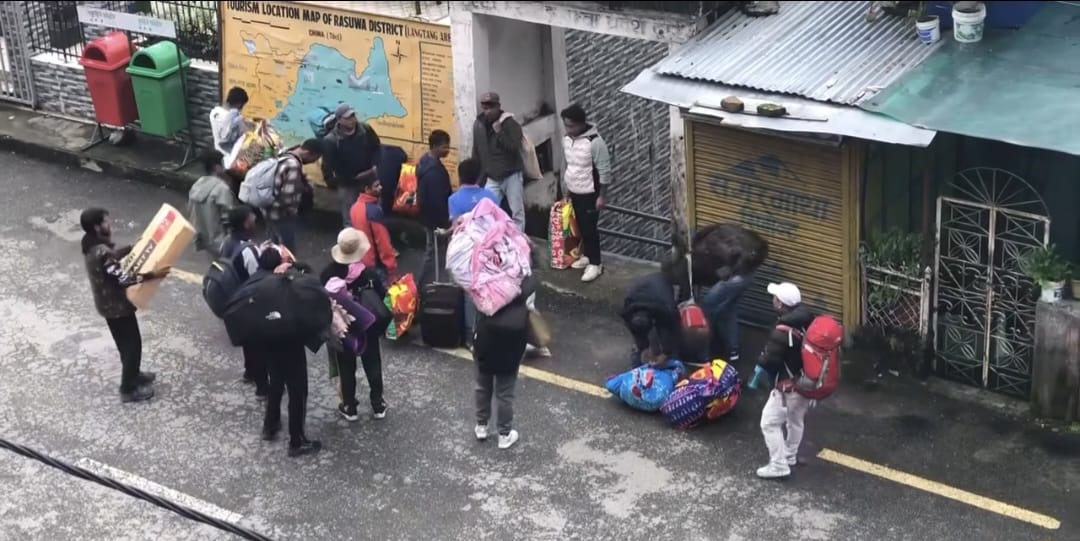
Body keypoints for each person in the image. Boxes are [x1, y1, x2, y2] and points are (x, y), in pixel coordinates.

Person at [80, 208, 170, 403]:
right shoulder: (103, 252)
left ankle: (134, 374)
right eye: (106, 222)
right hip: (117, 307)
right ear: (97, 227)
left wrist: (131, 248)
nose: (110, 224)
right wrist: (152, 276)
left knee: (125, 344)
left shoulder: (91, 245)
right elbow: (123, 279)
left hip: (107, 305)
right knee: (132, 346)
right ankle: (128, 388)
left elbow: (110, 259)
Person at [253, 246, 321, 457]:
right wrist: (294, 267)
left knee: (276, 384)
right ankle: (296, 441)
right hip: (291, 345)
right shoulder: (291, 284)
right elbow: (314, 282)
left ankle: (270, 426)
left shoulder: (261, 284)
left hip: (270, 343)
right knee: (297, 392)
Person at [320, 229, 388, 422]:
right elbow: (381, 295)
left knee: (346, 366)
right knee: (373, 362)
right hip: (367, 326)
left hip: (342, 327)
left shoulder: (327, 274)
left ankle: (350, 406)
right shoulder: (369, 274)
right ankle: (378, 404)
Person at [756, 282, 815, 479]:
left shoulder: (783, 331)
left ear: (780, 304)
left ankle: (778, 465)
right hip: (806, 382)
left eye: (775, 297)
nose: (773, 299)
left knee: (768, 423)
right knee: (795, 420)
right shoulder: (808, 320)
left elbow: (769, 362)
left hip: (787, 386)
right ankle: (790, 456)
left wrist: (762, 359)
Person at [445, 158, 499, 350]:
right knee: (485, 290)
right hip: (486, 251)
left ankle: (469, 336)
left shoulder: (454, 199)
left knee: (467, 293)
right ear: (479, 177)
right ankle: (484, 332)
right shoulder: (491, 197)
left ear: (460, 177)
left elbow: (455, 227)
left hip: (463, 254)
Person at [473, 283, 532, 450]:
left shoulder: (484, 274)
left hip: (485, 336)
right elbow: (528, 294)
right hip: (511, 340)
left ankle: (481, 425)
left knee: (482, 386)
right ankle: (504, 434)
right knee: (505, 393)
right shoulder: (519, 272)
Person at [560, 104, 612, 283]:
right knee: (579, 227)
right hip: (573, 190)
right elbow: (567, 164)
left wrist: (602, 196)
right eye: (566, 125)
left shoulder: (595, 142)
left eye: (571, 126)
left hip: (590, 193)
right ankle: (587, 256)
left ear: (581, 123)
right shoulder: (567, 139)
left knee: (590, 228)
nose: (568, 129)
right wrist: (566, 189)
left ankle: (596, 264)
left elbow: (604, 170)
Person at [220, 206, 268, 397]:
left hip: (234, 298)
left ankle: (250, 371)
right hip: (249, 299)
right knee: (259, 343)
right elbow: (257, 276)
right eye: (251, 217)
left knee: (249, 340)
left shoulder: (227, 242)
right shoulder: (248, 250)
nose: (255, 218)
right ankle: (262, 387)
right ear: (246, 223)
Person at [621, 254, 691, 368]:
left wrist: (664, 352)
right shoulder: (665, 302)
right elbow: (673, 326)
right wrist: (647, 349)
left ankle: (639, 363)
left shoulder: (663, 303)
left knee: (651, 341)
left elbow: (671, 326)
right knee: (651, 344)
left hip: (645, 305)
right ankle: (642, 360)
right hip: (652, 305)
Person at [471, 91, 525, 232]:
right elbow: (476, 151)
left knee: (516, 212)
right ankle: (491, 238)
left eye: (491, 107)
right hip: (492, 176)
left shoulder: (509, 123)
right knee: (486, 210)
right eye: (485, 108)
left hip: (511, 174)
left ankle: (518, 239)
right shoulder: (479, 125)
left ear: (498, 106)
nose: (488, 111)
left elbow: (514, 147)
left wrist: (499, 132)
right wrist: (476, 178)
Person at [321, 104, 382, 227]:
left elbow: (377, 147)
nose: (352, 119)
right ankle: (351, 238)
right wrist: (335, 183)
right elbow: (327, 165)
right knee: (350, 218)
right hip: (348, 184)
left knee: (372, 214)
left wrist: (376, 166)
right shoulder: (331, 140)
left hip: (369, 178)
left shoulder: (365, 130)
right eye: (348, 117)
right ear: (339, 120)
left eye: (353, 115)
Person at [268, 138, 322, 254]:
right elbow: (288, 196)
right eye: (314, 159)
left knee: (274, 244)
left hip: (269, 208)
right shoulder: (293, 165)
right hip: (282, 213)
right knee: (287, 249)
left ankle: (272, 262)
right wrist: (293, 210)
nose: (313, 162)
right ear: (308, 153)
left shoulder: (284, 154)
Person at [417, 130, 453, 285]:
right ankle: (423, 284)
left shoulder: (424, 162)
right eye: (445, 147)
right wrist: (445, 223)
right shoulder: (434, 173)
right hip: (435, 220)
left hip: (427, 218)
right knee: (433, 252)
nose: (447, 150)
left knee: (432, 250)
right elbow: (436, 201)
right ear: (435, 147)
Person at [188, 150, 239, 257]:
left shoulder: (196, 185)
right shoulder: (221, 189)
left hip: (204, 240)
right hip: (221, 242)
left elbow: (191, 211)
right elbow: (229, 218)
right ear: (216, 167)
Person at [349, 176, 398, 283]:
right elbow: (383, 243)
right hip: (376, 263)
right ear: (367, 189)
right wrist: (391, 268)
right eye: (376, 186)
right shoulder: (374, 212)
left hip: (362, 260)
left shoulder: (354, 208)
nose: (381, 187)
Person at [209, 86, 249, 156]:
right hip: (229, 155)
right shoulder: (234, 119)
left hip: (217, 151)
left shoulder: (214, 112)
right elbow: (240, 136)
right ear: (239, 104)